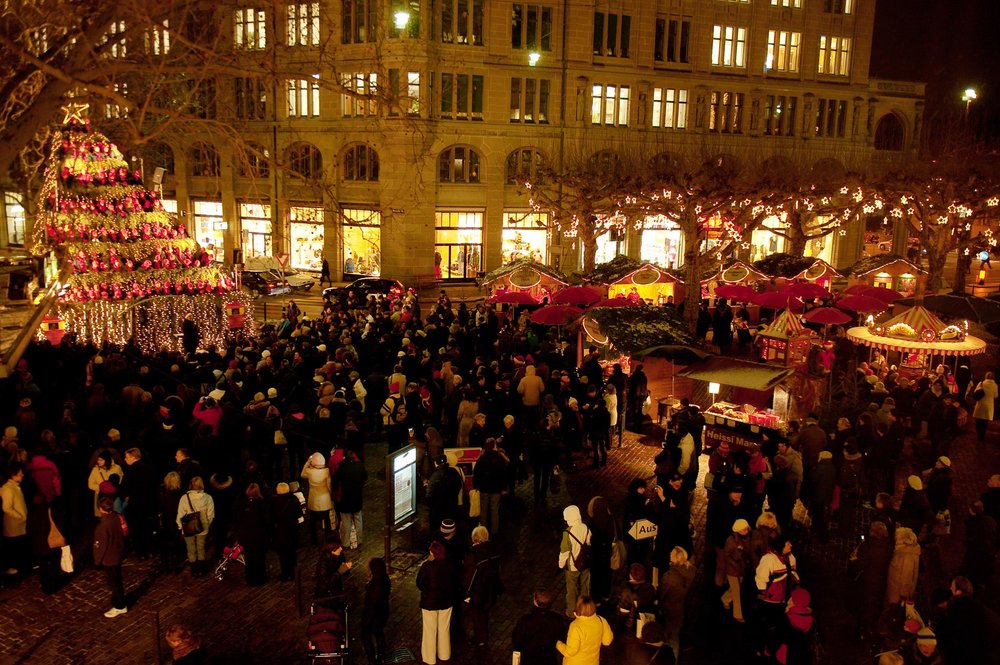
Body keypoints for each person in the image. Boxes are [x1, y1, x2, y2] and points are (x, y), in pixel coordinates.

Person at [462, 526, 502, 647]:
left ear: (474, 539)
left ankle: (480, 639)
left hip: (477, 593)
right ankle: (482, 637)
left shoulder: (473, 556)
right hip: (490, 590)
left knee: (477, 617)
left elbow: (469, 578)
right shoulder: (494, 550)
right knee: (484, 614)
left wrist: (466, 595)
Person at [417, 540, 455, 665]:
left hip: (429, 603)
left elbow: (419, 583)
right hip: (446, 602)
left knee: (429, 630)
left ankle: (429, 658)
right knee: (444, 629)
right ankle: (444, 654)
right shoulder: (449, 564)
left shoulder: (426, 566)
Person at [511, 588, 567, 665]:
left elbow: (517, 641)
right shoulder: (557, 619)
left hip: (529, 660)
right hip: (549, 659)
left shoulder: (525, 621)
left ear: (535, 602)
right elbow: (561, 638)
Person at [659, 546, 695, 662]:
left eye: (671, 554)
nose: (669, 555)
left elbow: (662, 595)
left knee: (669, 636)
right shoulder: (691, 570)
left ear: (675, 558)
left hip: (669, 609)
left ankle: (669, 659)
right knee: (675, 636)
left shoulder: (669, 577)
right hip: (681, 607)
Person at [94, 497, 127, 617]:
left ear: (101, 509)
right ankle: (119, 601)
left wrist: (97, 561)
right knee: (117, 580)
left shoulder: (103, 526)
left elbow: (100, 546)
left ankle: (120, 606)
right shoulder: (117, 517)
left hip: (109, 558)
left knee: (114, 582)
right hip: (118, 552)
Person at [556, 596, 613, 665]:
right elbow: (607, 641)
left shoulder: (576, 626)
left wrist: (558, 644)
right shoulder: (601, 620)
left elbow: (570, 652)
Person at [176, 476, 215, 577]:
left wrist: (181, 527)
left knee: (190, 549)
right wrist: (206, 524)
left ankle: (194, 570)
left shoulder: (184, 498)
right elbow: (211, 514)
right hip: (203, 527)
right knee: (201, 548)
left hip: (188, 528)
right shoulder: (208, 497)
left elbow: (180, 514)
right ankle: (201, 570)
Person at [559, 505, 592, 617]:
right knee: (585, 587)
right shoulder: (585, 527)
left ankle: (572, 612)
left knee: (572, 590)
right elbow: (589, 543)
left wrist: (561, 564)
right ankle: (585, 609)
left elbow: (564, 551)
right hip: (586, 563)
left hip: (573, 566)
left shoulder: (567, 533)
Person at [234, 482, 270, 586]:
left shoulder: (242, 505)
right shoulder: (262, 504)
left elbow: (238, 520)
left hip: (247, 537)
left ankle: (251, 579)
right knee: (260, 558)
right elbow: (266, 520)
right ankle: (261, 578)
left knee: (249, 559)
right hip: (259, 537)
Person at [335, 449, 367, 549]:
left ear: (344, 456)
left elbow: (336, 479)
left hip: (346, 499)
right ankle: (360, 540)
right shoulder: (360, 466)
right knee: (358, 519)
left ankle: (346, 543)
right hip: (357, 497)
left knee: (346, 521)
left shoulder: (342, 467)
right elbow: (365, 477)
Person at [721, 518, 751, 623]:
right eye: (743, 530)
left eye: (746, 529)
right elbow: (726, 555)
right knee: (736, 591)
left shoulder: (746, 538)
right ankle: (737, 614)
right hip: (732, 569)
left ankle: (725, 599)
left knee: (735, 588)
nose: (746, 531)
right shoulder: (731, 541)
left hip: (741, 568)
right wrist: (736, 557)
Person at [362, 557, 391, 665]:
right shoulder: (385, 579)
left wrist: (365, 622)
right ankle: (381, 656)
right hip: (383, 612)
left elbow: (371, 607)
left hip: (374, 616)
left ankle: (372, 660)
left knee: (366, 636)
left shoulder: (375, 586)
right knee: (379, 634)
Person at [0, 462, 28, 575]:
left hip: (19, 524)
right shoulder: (8, 489)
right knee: (14, 547)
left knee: (18, 547)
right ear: (13, 475)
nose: (22, 475)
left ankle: (20, 566)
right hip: (14, 525)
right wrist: (20, 516)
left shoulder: (15, 487)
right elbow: (7, 508)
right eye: (20, 474)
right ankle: (14, 568)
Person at [302, 452, 333, 544]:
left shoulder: (309, 472)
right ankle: (328, 537)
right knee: (327, 519)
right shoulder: (326, 471)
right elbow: (329, 485)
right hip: (325, 499)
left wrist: (307, 462)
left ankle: (314, 539)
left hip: (314, 499)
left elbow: (302, 474)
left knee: (313, 521)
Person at [272, 482, 301, 582]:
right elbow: (299, 514)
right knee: (292, 553)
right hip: (292, 529)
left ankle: (285, 573)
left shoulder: (275, 502)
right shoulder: (294, 499)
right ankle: (293, 573)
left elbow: (272, 518)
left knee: (283, 554)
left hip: (281, 531)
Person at [886, 527, 921, 606]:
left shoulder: (907, 552)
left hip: (898, 592)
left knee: (896, 611)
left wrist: (904, 593)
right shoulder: (903, 550)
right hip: (896, 589)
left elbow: (907, 574)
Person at [971, 371, 997, 442]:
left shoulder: (981, 383)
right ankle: (982, 436)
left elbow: (975, 392)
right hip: (989, 406)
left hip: (980, 405)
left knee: (978, 421)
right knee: (985, 423)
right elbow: (995, 396)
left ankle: (979, 436)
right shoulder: (995, 385)